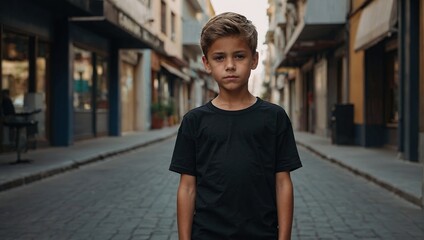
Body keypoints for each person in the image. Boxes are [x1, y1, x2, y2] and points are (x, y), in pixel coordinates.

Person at [169, 12, 302, 240]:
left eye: (239, 56)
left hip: (261, 234)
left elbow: (282, 183)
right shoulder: (194, 121)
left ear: (254, 60)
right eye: (219, 58)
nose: (230, 66)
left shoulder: (274, 118)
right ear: (206, 63)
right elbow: (187, 187)